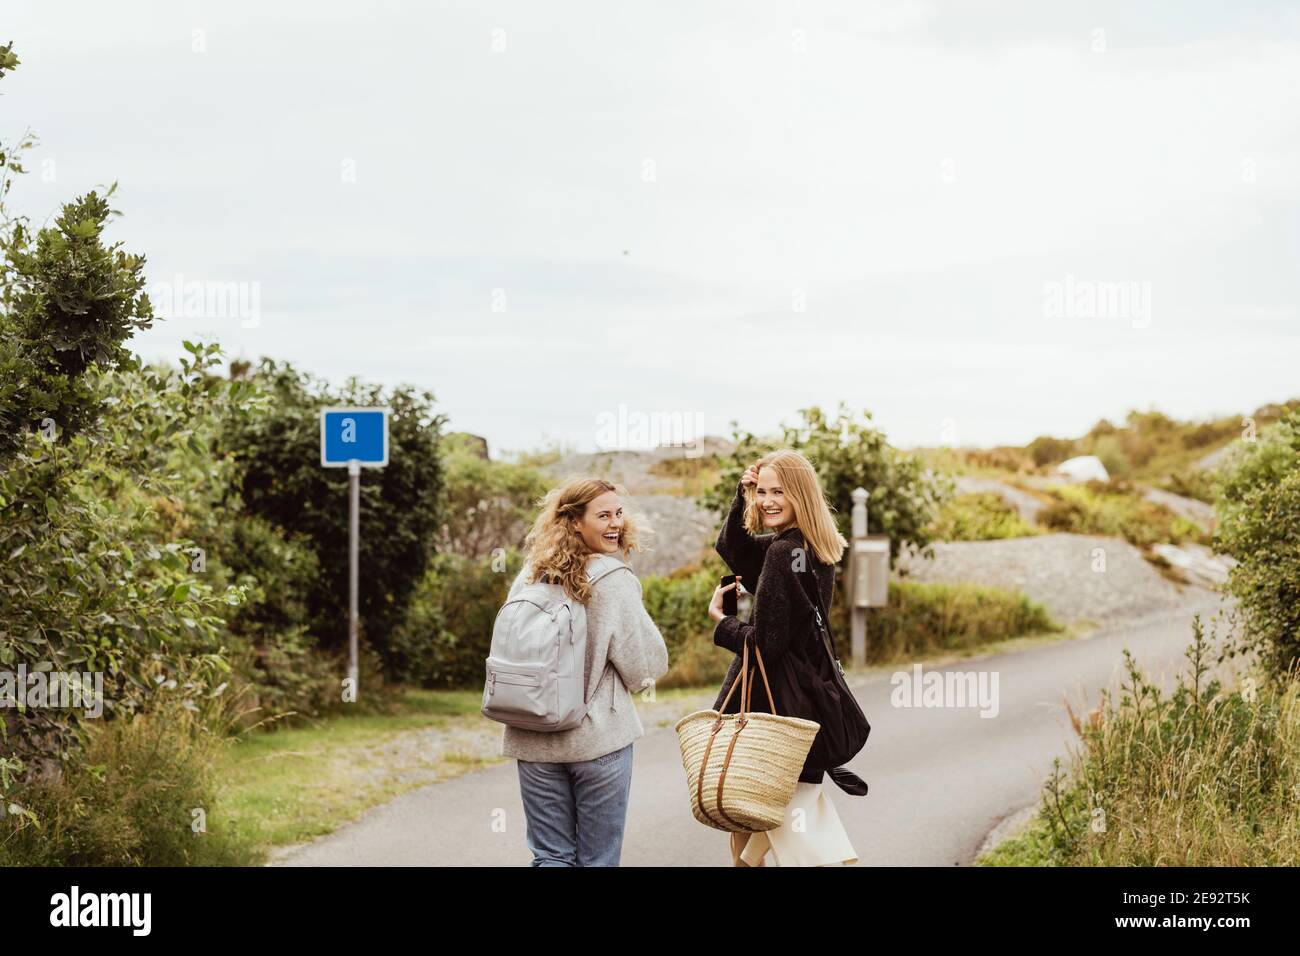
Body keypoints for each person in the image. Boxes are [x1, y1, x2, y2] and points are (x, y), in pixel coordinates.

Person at [504, 476, 669, 866]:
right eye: (604, 516)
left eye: (618, 514)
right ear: (575, 522)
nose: (616, 524)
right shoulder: (614, 580)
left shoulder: (530, 574)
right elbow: (644, 670)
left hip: (532, 736)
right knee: (598, 860)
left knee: (550, 856)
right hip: (598, 743)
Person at [706, 450, 861, 867]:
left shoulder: (781, 554)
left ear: (800, 494)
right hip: (802, 703)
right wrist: (742, 496)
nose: (766, 500)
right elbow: (733, 549)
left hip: (769, 709)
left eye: (778, 491)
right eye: (762, 491)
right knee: (779, 821)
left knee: (765, 819)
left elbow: (766, 645)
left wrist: (721, 623)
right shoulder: (811, 548)